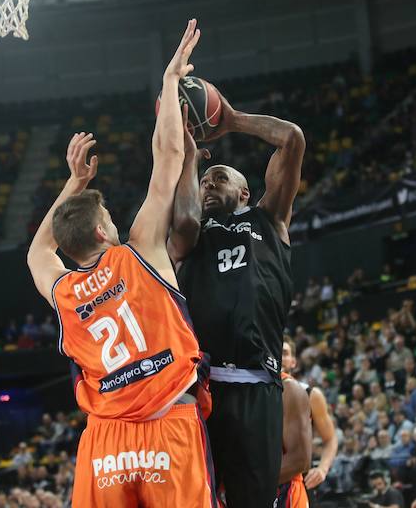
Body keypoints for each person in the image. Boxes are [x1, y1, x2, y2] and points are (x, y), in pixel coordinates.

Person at [26, 20, 215, 507]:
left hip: (105, 442)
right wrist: (171, 82)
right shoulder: (139, 251)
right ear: (100, 231)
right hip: (167, 423)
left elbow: (37, 252)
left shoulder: (64, 291)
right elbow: (169, 155)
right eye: (106, 215)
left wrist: (72, 186)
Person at [168, 57, 305, 508]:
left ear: (245, 192)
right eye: (204, 180)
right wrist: (190, 157)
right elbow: (184, 217)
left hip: (257, 386)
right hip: (203, 389)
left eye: (219, 178)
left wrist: (231, 121)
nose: (209, 183)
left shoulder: (269, 219)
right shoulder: (193, 234)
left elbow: (292, 140)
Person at [282, 337, 339, 496]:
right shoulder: (258, 394)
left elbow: (331, 438)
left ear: (294, 362)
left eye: (285, 353)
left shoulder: (311, 394)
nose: (279, 357)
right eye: (276, 352)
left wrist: (322, 469)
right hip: (268, 474)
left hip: (299, 478)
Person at [274, 371, 312, 508]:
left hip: (286, 488)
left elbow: (301, 460)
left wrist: (323, 468)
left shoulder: (292, 389)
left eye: (286, 353)